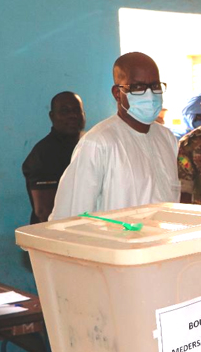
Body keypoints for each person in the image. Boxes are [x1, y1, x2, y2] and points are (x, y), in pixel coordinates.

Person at [50, 52, 179, 220]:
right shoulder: (98, 143)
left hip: (163, 243)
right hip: (117, 245)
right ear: (117, 93)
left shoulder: (167, 138)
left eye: (155, 86)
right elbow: (71, 216)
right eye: (138, 87)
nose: (150, 94)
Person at [22, 92, 86, 224]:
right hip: (54, 235)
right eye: (65, 111)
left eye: (76, 110)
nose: (72, 116)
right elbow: (44, 212)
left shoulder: (89, 143)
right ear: (52, 116)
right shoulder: (44, 154)